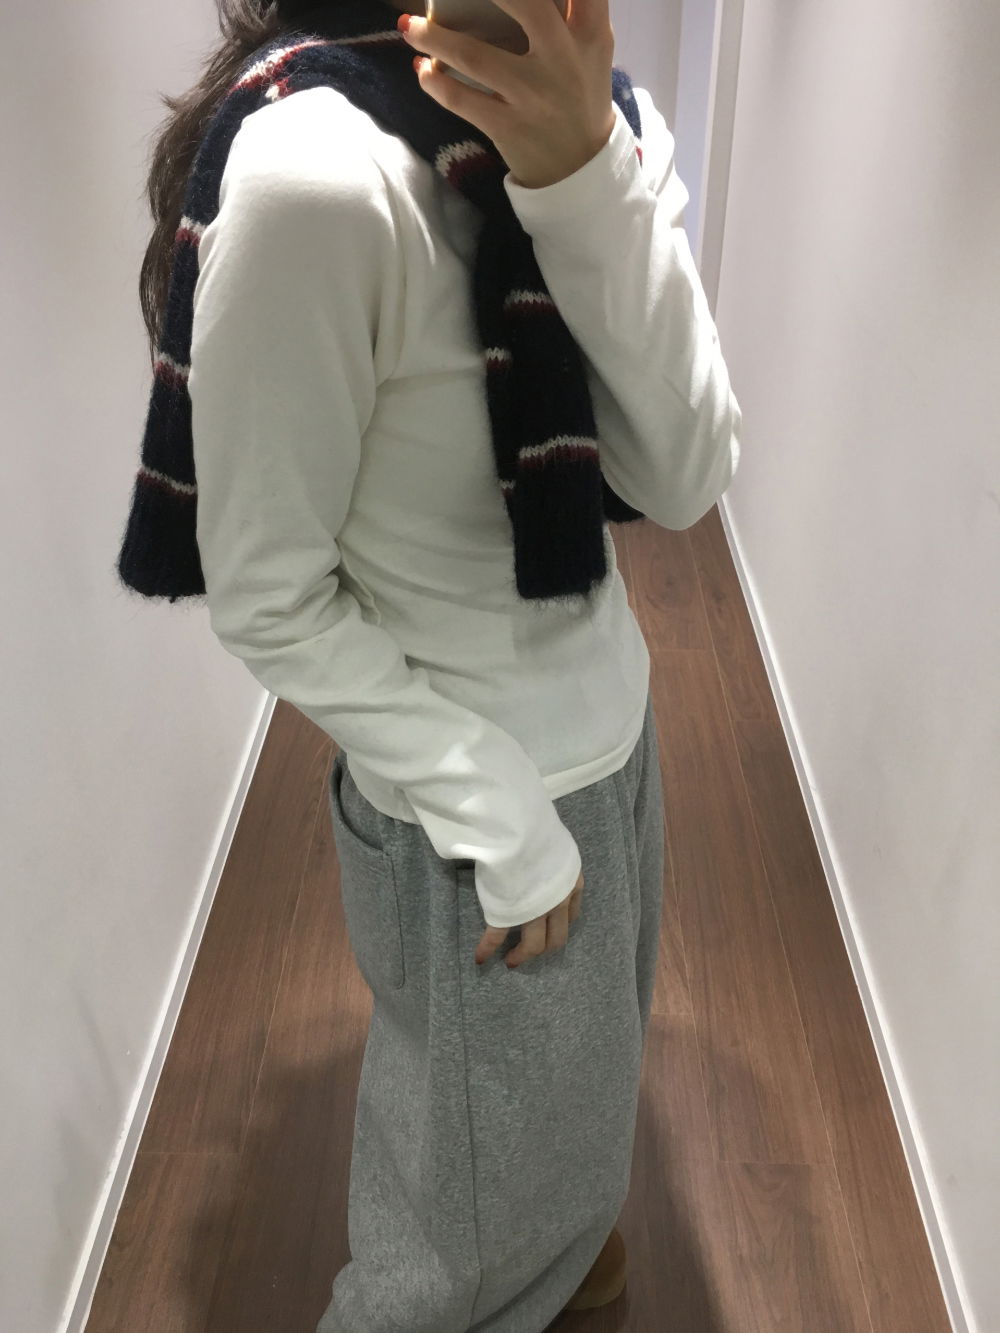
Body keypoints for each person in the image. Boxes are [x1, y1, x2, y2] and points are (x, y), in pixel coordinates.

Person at [133, 1, 741, 1327]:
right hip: (477, 813)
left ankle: (559, 1248)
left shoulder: (611, 125)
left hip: (613, 736)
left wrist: (583, 177)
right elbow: (269, 593)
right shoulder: (318, 173)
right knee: (434, 1271)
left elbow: (686, 476)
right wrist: (499, 811)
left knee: (557, 1125)